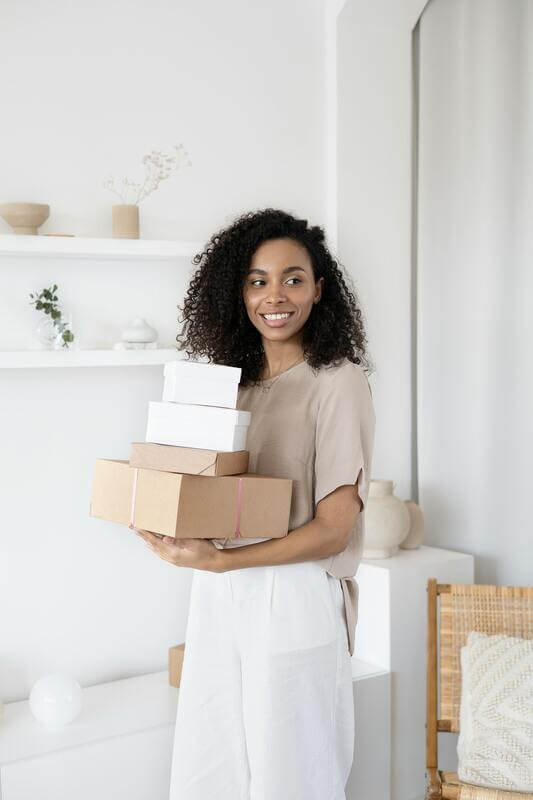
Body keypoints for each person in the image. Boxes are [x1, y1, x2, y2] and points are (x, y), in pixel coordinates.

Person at [133, 208, 376, 800]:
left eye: (293, 278)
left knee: (292, 775)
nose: (275, 296)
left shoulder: (337, 381)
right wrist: (167, 525)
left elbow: (333, 531)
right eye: (257, 280)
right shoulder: (233, 386)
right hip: (219, 595)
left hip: (291, 592)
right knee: (210, 763)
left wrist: (222, 561)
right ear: (237, 291)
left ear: (320, 289)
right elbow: (211, 496)